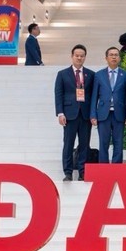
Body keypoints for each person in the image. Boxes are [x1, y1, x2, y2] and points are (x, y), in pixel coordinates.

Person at [54, 44, 95, 181]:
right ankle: (68, 172)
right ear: (72, 56)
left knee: (84, 144)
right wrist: (60, 113)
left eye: (82, 56)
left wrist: (93, 114)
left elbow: (93, 96)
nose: (79, 58)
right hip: (69, 114)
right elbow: (58, 94)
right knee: (68, 144)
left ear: (85, 57)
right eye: (77, 55)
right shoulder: (62, 74)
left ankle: (83, 172)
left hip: (85, 114)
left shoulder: (91, 74)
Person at [89, 47, 126, 163]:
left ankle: (117, 168)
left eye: (116, 55)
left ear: (119, 58)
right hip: (103, 114)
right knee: (103, 143)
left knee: (118, 143)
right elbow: (94, 96)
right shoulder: (99, 75)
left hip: (119, 114)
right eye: (111, 55)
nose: (114, 57)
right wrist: (93, 114)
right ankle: (103, 168)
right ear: (106, 58)